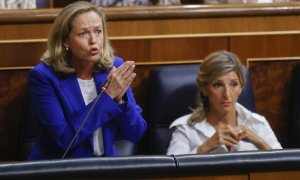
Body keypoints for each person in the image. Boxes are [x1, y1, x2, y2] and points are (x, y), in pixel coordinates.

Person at [27, 1, 147, 160]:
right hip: (60, 170)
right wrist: (108, 97)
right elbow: (64, 140)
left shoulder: (114, 68)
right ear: (65, 41)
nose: (93, 40)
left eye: (98, 31)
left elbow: (136, 132)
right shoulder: (44, 76)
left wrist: (119, 99)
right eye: (83, 33)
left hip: (105, 168)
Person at [167, 50, 282, 155]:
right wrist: (204, 148)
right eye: (218, 85)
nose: (227, 94)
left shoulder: (258, 123)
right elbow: (169, 174)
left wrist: (260, 143)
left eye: (233, 84)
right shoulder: (186, 128)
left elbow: (284, 169)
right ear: (204, 89)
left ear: (241, 87)